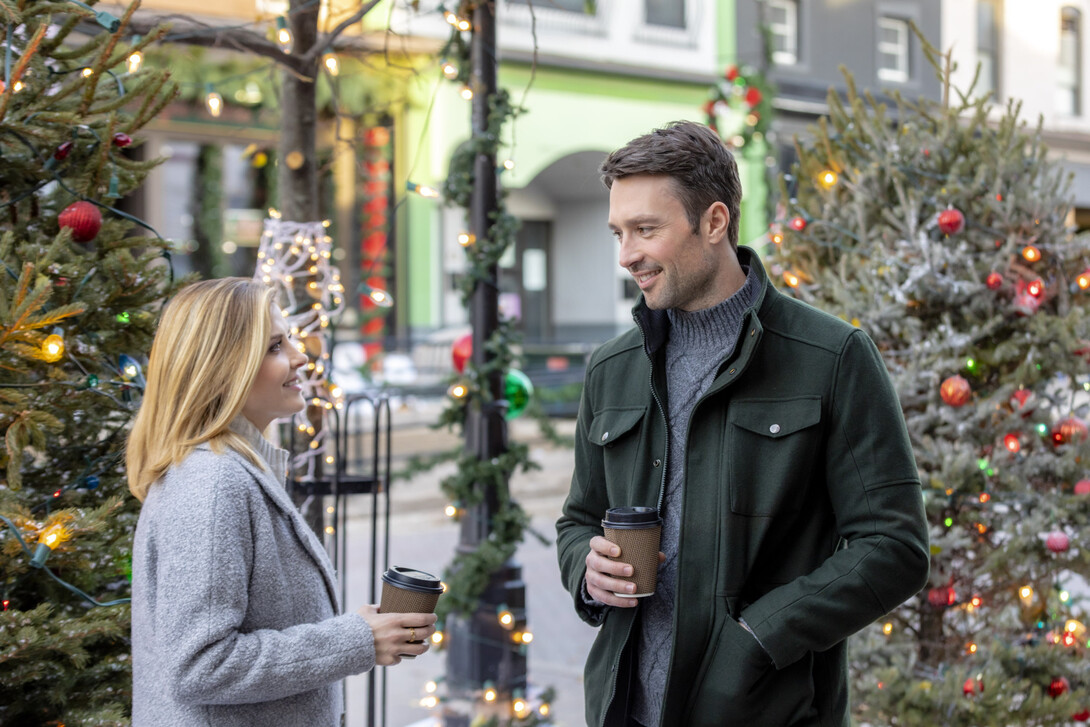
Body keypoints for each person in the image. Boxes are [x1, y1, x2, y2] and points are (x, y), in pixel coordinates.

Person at [555, 121, 929, 727]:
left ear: (714, 222)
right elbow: (579, 518)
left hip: (763, 711)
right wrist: (585, 569)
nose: (627, 256)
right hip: (623, 709)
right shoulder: (611, 368)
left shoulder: (831, 357)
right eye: (619, 233)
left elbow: (894, 547)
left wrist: (757, 638)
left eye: (647, 229)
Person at [127, 278, 436, 726]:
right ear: (220, 366)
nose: (299, 356)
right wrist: (355, 641)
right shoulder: (212, 482)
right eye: (275, 346)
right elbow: (201, 665)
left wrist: (359, 632)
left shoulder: (233, 470)